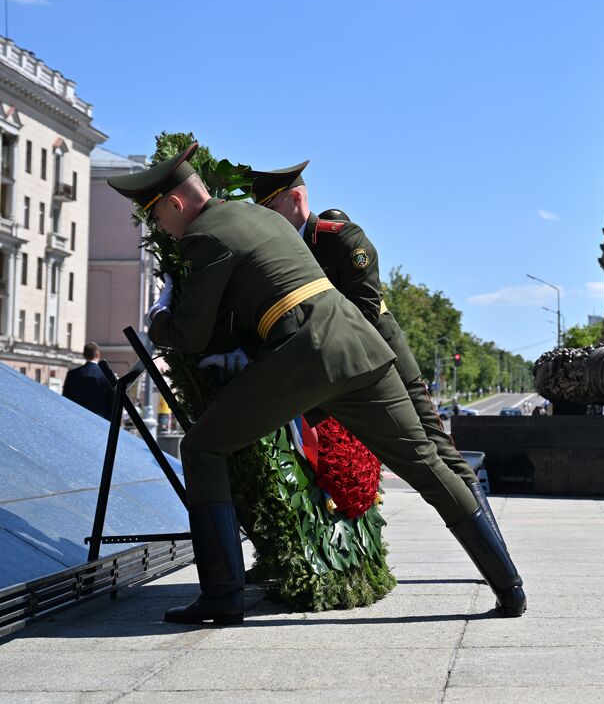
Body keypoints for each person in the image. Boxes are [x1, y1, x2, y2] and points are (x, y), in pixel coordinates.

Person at [108, 144, 525, 624]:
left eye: (157, 216)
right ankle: (509, 587)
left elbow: (190, 333)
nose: (160, 227)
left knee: (202, 449)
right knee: (428, 465)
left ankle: (222, 596)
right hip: (362, 348)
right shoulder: (257, 216)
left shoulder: (204, 236)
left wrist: (160, 314)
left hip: (305, 357)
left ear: (175, 204)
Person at [244, 162, 504, 539]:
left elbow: (364, 311)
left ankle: (493, 548)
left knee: (438, 453)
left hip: (385, 362)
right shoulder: (278, 252)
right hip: (331, 373)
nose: (267, 220)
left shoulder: (339, 240)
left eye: (271, 208)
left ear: (295, 198)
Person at [61, 342, 115, 419]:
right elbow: (112, 402)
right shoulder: (106, 375)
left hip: (77, 418)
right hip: (101, 420)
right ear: (97, 355)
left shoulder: (72, 374)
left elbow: (66, 398)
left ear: (84, 355)